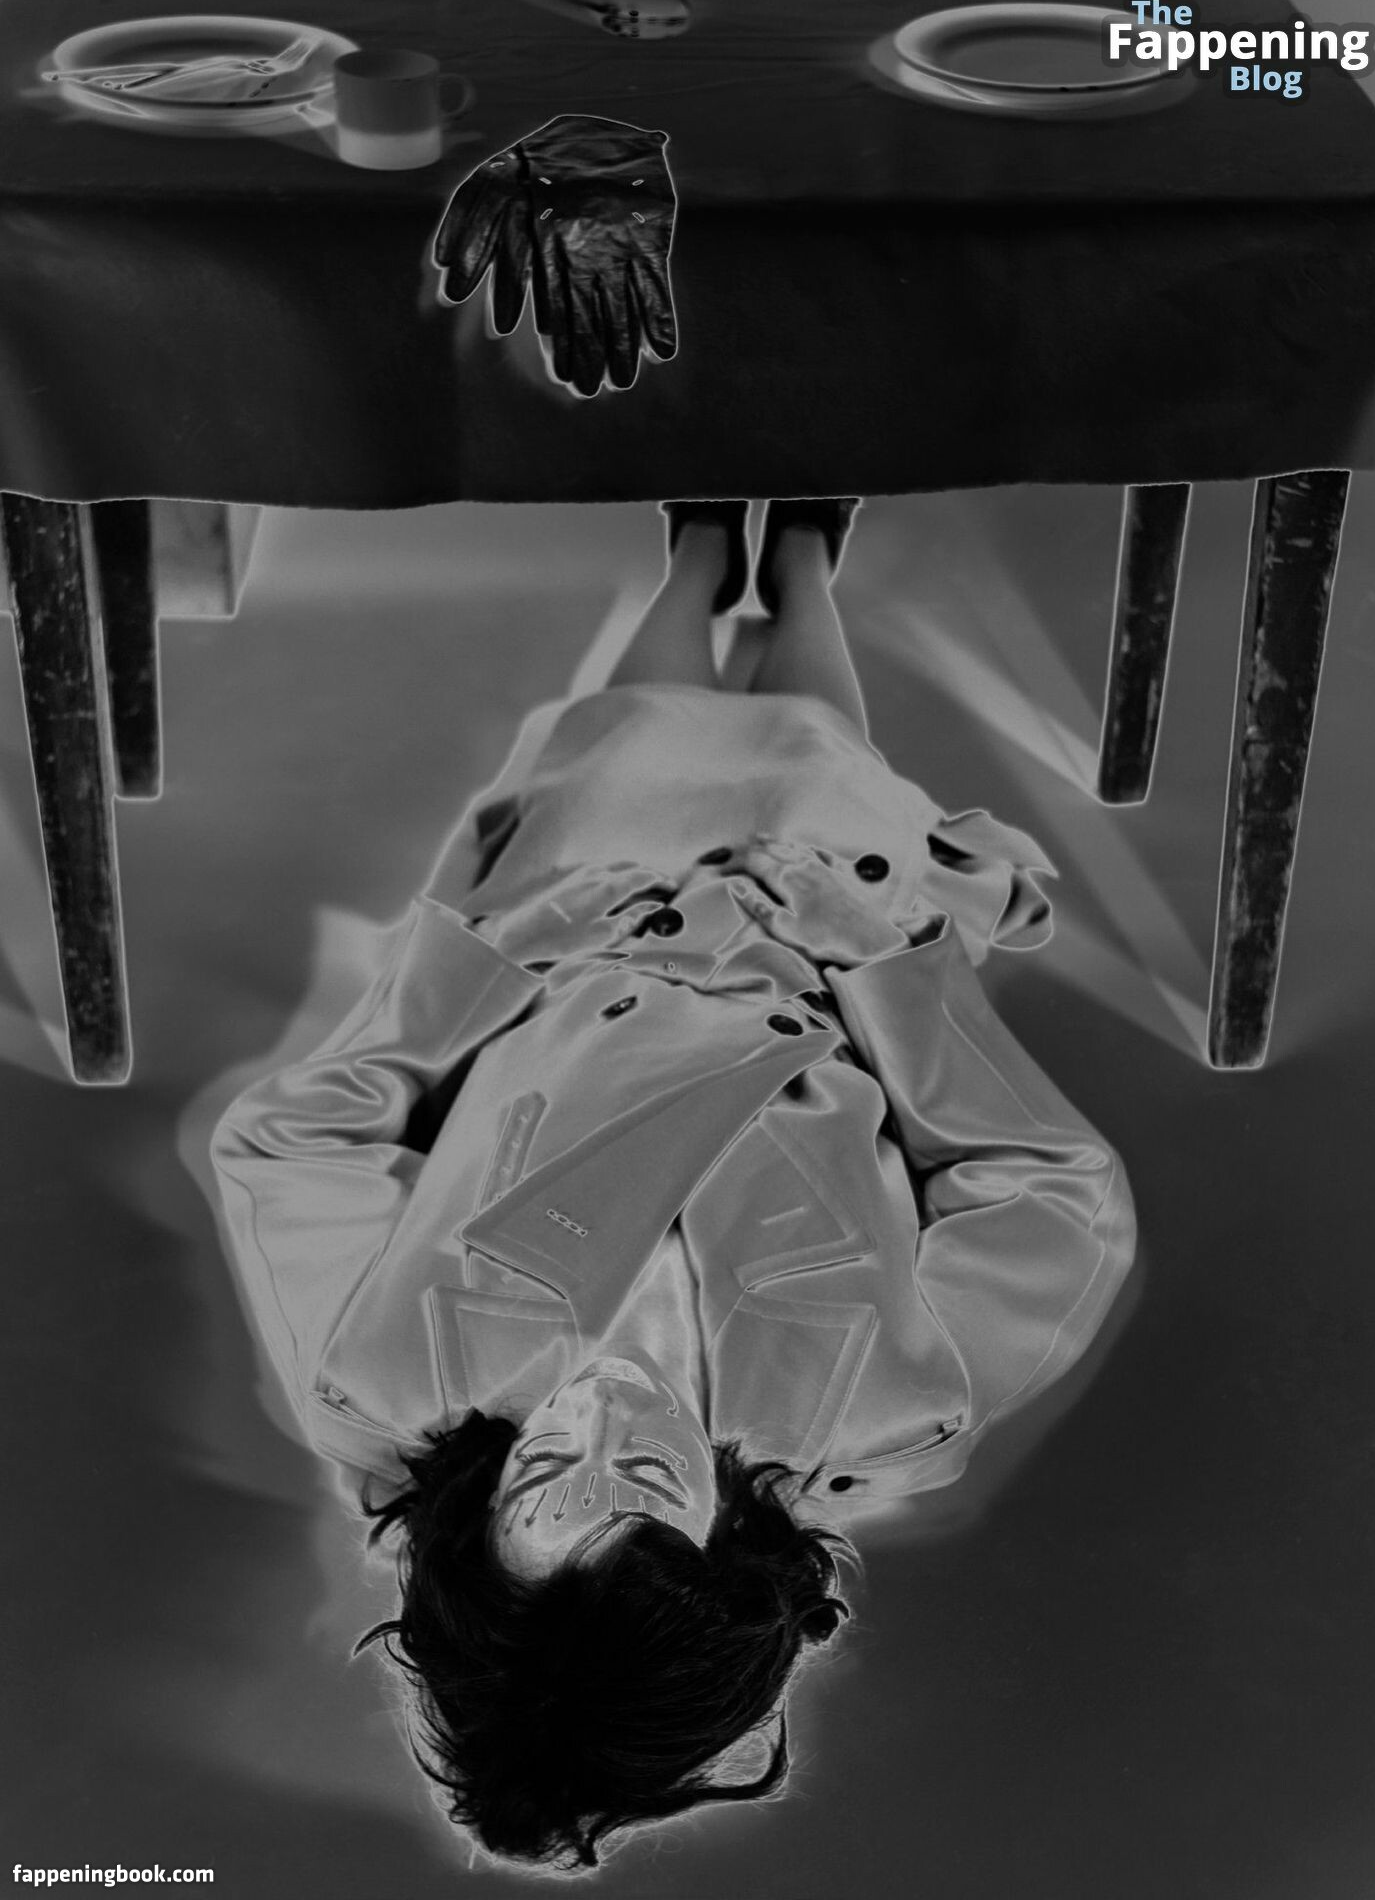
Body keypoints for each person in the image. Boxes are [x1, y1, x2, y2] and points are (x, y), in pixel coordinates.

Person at [210, 497, 1136, 1872]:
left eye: (543, 1477)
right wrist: (877, 962)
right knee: (816, 760)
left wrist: (496, 959)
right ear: (730, 1542)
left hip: (579, 936)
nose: (599, 1414)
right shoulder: (891, 1412)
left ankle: (699, 549)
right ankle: (805, 554)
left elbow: (291, 1144)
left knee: (632, 736)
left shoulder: (383, 1385)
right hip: (816, 958)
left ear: (475, 1538)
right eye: (646, 1473)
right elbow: (1048, 1191)